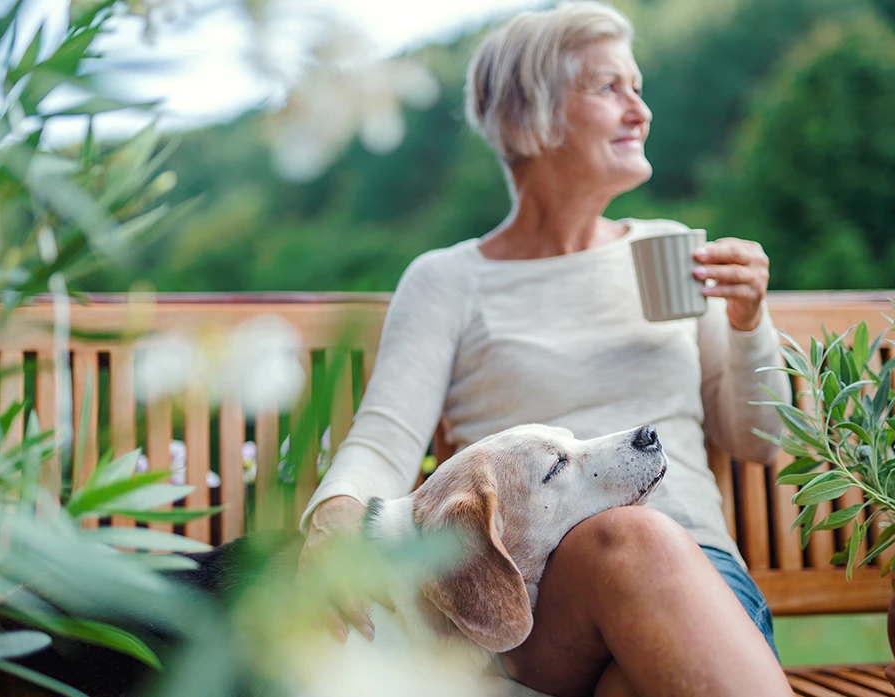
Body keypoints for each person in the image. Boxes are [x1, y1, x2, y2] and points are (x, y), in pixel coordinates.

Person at [297, 2, 794, 695]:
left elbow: (761, 439)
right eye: (608, 87)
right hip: (526, 607)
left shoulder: (669, 250)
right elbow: (385, 440)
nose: (640, 111)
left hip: (702, 584)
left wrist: (748, 320)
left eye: (639, 88)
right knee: (630, 537)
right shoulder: (450, 280)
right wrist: (336, 516)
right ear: (530, 118)